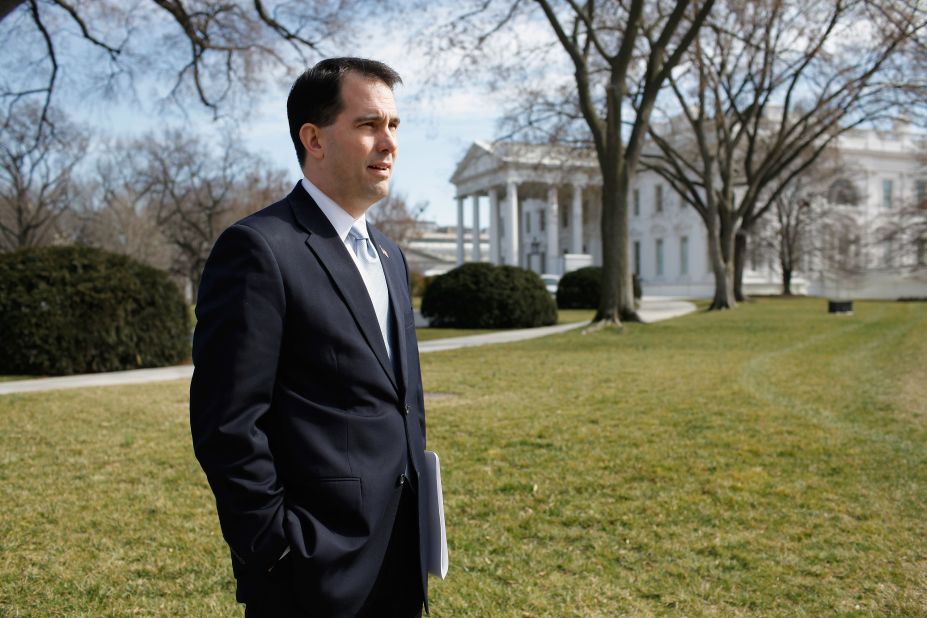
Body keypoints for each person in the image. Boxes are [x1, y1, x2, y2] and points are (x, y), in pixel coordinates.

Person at [190, 57, 428, 618]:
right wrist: (273, 548)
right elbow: (227, 423)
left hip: (398, 552)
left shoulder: (391, 256)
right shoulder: (259, 249)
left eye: (394, 126)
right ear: (314, 139)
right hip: (310, 569)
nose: (388, 143)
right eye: (369, 125)